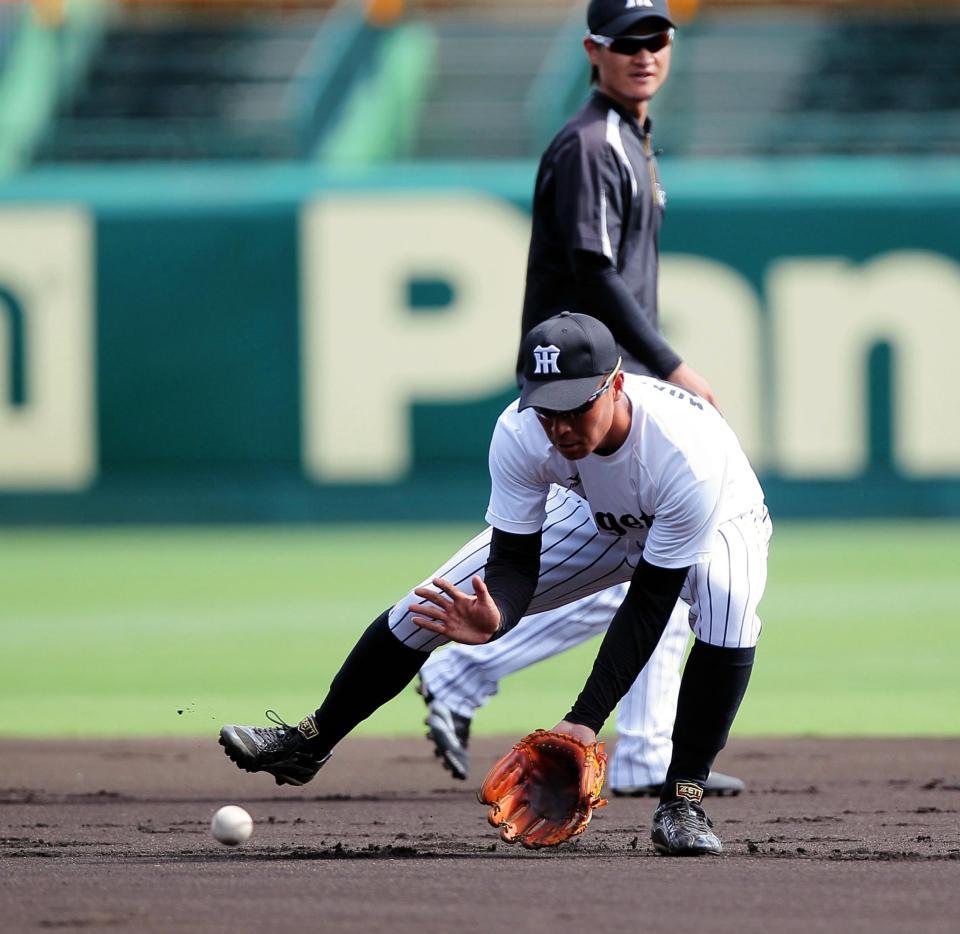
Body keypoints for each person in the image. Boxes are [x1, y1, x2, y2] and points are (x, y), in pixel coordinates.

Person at [219, 312, 771, 855]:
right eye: (547, 410)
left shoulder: (685, 455)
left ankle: (682, 800)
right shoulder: (519, 432)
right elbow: (513, 560)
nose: (560, 428)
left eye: (577, 407)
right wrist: (498, 614)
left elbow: (650, 601)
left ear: (616, 384)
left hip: (716, 515)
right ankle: (310, 742)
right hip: (592, 514)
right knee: (431, 604)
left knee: (728, 608)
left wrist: (582, 721)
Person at [415, 0, 737, 797]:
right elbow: (593, 272)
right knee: (637, 567)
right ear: (593, 50)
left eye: (656, 37)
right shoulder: (593, 144)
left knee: (660, 564)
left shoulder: (629, 136)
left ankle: (643, 752)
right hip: (585, 393)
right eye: (626, 41)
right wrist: (669, 362)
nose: (643, 52)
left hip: (616, 386)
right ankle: (463, 674)